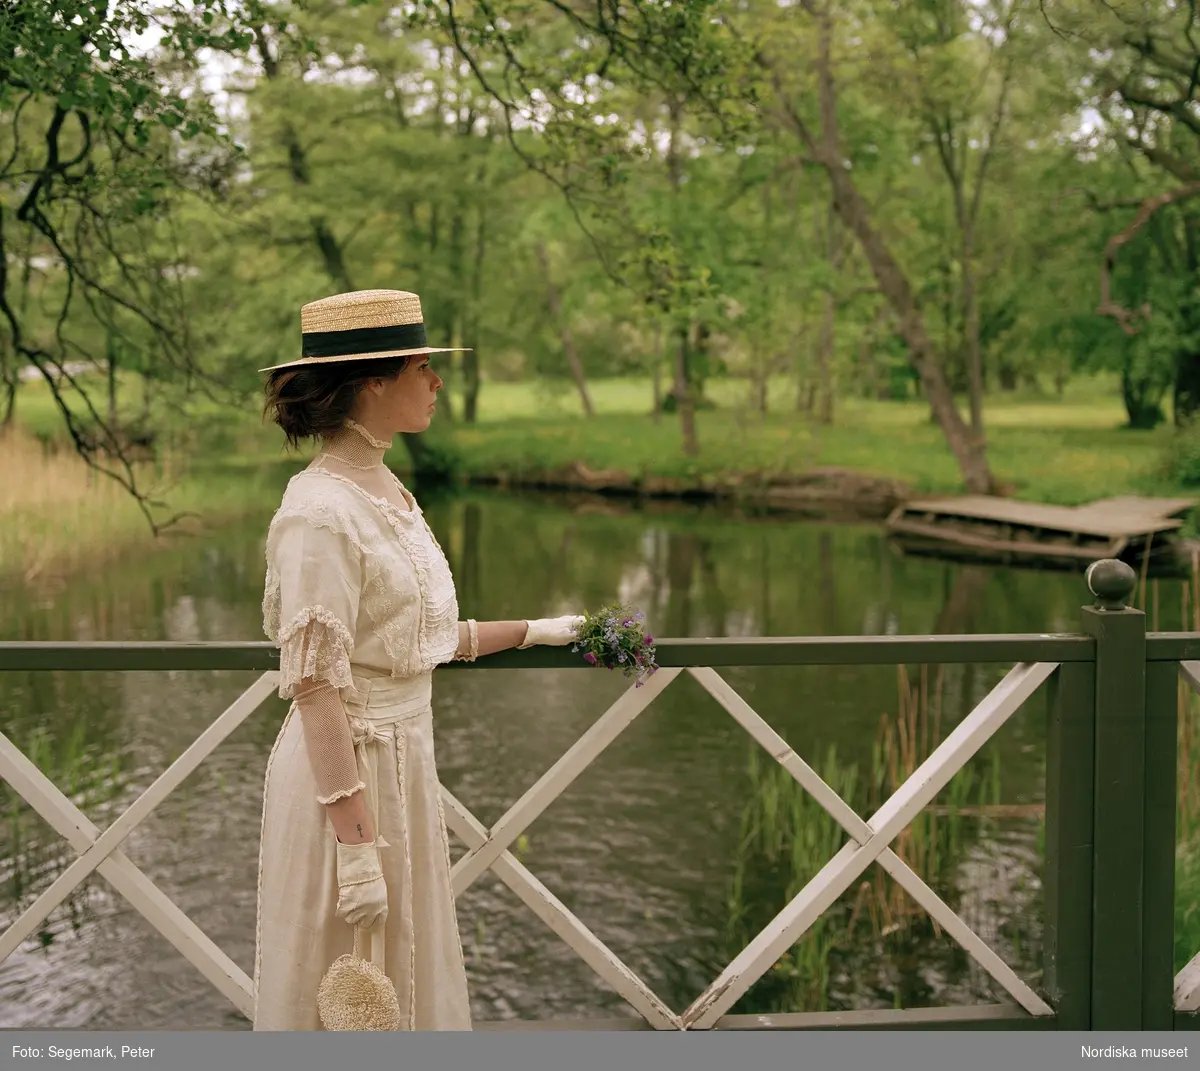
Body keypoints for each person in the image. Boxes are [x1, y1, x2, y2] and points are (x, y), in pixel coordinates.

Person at [252, 289, 583, 1031]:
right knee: (342, 991)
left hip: (405, 769)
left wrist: (540, 629)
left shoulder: (386, 487)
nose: (436, 382)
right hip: (345, 787)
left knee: (405, 979)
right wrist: (357, 847)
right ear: (374, 379)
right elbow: (314, 685)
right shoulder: (317, 510)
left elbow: (415, 639)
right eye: (424, 365)